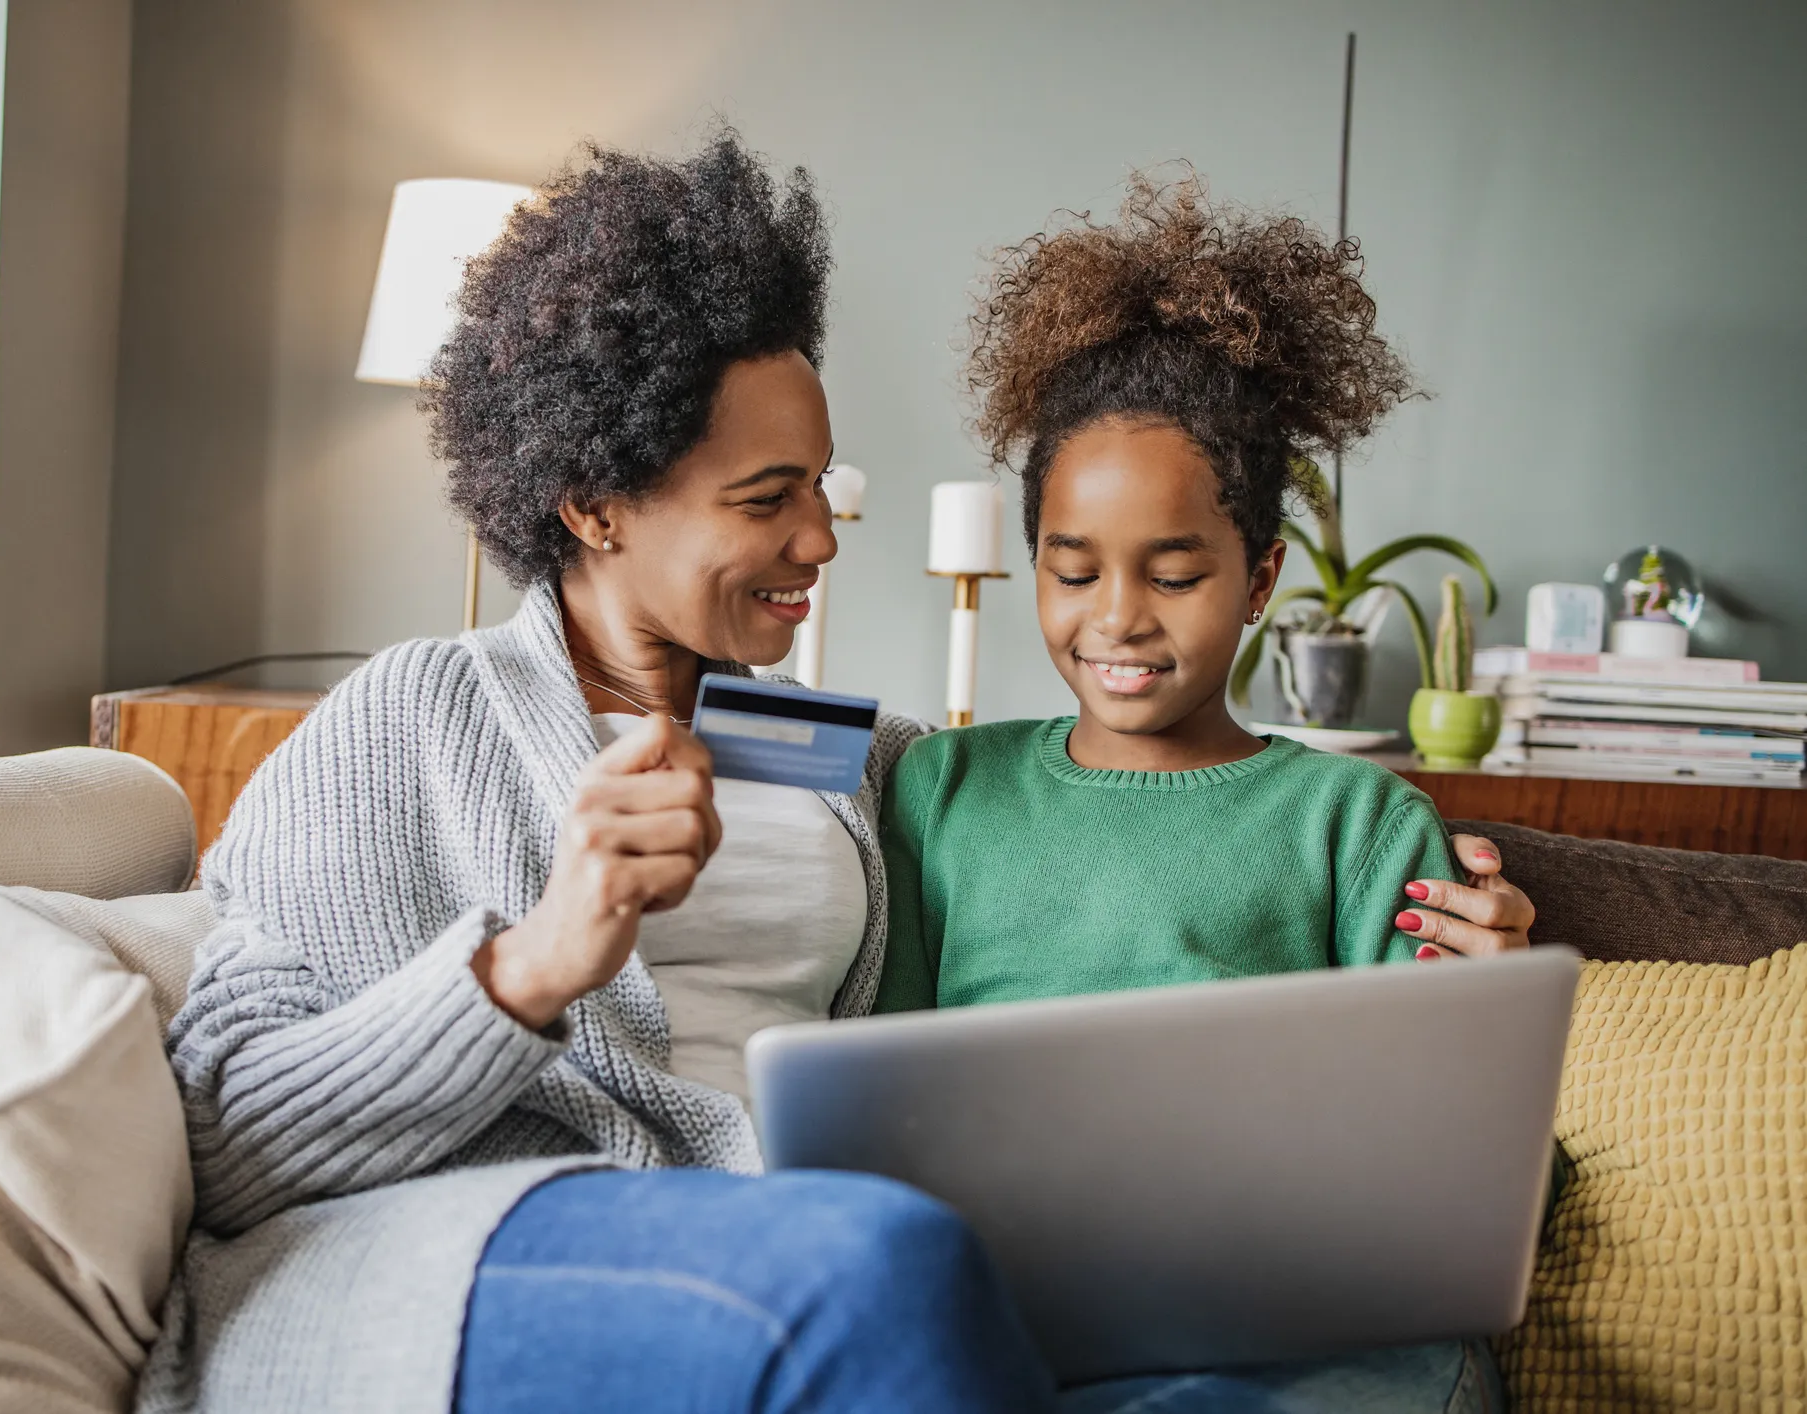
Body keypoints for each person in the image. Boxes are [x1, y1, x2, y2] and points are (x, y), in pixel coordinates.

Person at [134, 133, 1536, 1414]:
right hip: (476, 1250)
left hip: (814, 1241)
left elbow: (1096, 873)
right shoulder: (414, 712)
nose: (821, 536)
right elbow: (235, 1139)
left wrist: (1462, 984)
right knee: (886, 1264)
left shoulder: (865, 763)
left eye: (819, 482)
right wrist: (537, 961)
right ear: (594, 503)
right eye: (766, 499)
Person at [875, 172, 1519, 1410]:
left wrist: (1483, 1020)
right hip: (1018, 1307)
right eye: (1073, 571)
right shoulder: (940, 787)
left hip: (1295, 1324)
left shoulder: (1358, 823)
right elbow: (881, 1096)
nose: (1115, 618)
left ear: (1261, 573)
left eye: (1175, 574)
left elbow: (1447, 1171)